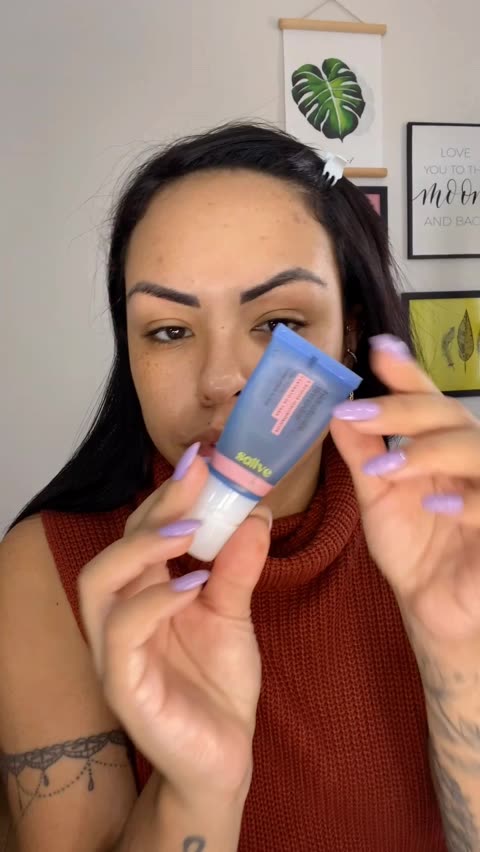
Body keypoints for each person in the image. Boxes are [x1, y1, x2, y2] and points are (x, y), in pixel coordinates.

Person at [0, 122, 478, 852]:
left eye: (279, 321)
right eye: (168, 330)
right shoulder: (53, 571)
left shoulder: (449, 537)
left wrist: (455, 653)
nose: (221, 380)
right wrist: (196, 791)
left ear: (349, 332)